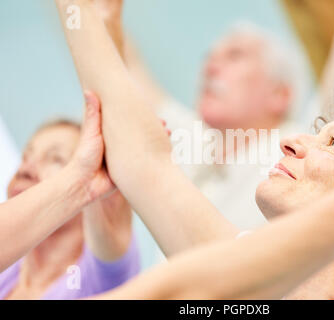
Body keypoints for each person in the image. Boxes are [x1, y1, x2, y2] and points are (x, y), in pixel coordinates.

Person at [56, 0, 334, 299]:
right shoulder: (245, 277)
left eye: (332, 144)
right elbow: (144, 163)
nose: (290, 142)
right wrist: (83, 16)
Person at [93, 0, 306, 230]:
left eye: (235, 56)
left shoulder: (302, 153)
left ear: (280, 94)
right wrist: (105, 20)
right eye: (209, 57)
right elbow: (130, 73)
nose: (210, 68)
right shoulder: (194, 142)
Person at [0, 98, 140, 299]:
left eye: (56, 158)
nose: (25, 169)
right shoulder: (6, 269)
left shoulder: (98, 281)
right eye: (26, 156)